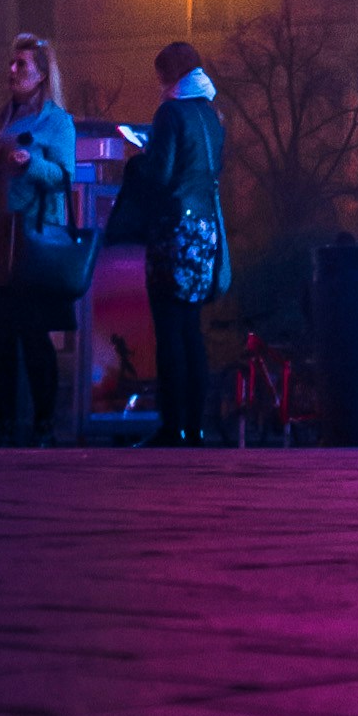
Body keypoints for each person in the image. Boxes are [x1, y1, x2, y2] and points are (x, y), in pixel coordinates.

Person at [0, 31, 76, 444]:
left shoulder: (56, 122)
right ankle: (5, 423)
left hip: (30, 241)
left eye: (21, 65)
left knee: (32, 331)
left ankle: (44, 422)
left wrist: (31, 165)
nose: (12, 71)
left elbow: (64, 177)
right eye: (11, 63)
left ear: (41, 75)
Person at [138, 41, 229, 448]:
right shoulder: (211, 115)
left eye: (160, 76)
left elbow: (160, 175)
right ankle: (195, 426)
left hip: (174, 232)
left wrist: (142, 153)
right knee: (191, 330)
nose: (159, 85)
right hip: (206, 230)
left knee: (169, 331)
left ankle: (170, 425)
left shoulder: (170, 113)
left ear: (170, 75)